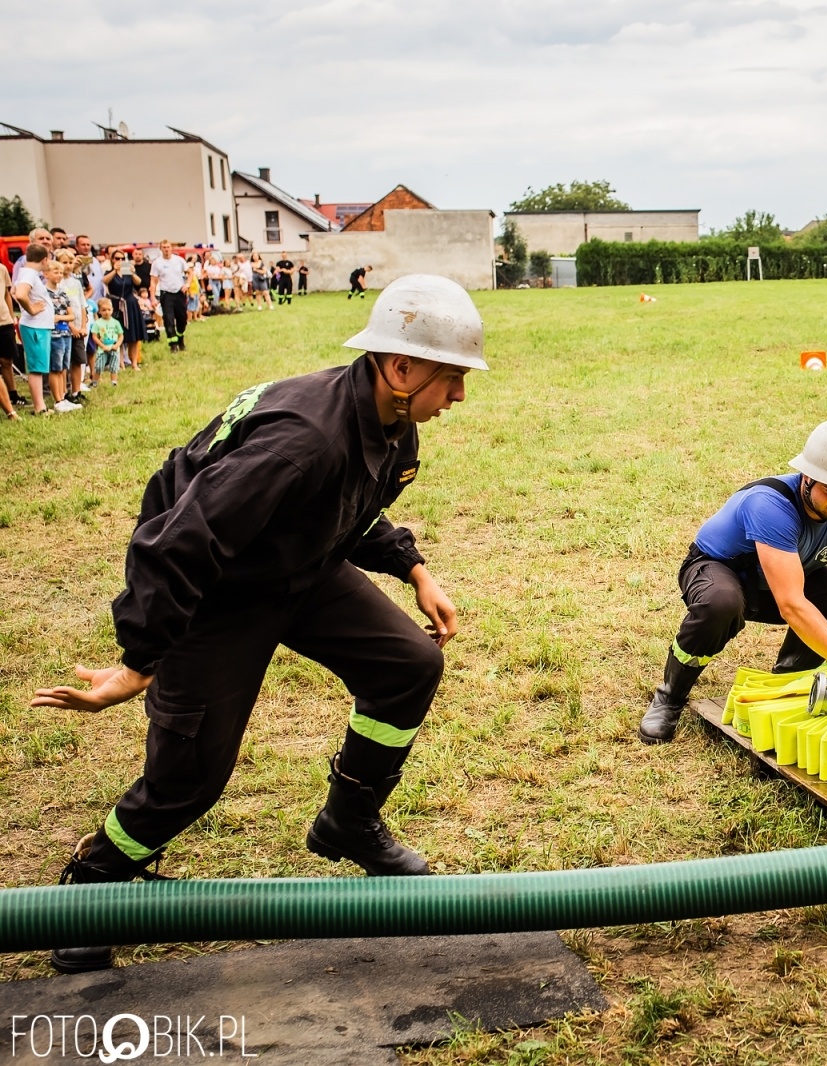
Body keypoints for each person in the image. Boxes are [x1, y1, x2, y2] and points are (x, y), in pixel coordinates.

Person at [30, 275, 486, 974]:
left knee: (408, 664)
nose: (458, 395)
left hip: (295, 569)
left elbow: (345, 509)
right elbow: (182, 541)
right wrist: (137, 663)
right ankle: (92, 886)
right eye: (450, 378)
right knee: (190, 778)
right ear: (400, 368)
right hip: (216, 590)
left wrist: (414, 569)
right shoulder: (302, 438)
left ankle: (349, 819)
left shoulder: (392, 426)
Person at [637, 415, 827, 744]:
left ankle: (787, 681)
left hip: (779, 580)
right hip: (718, 571)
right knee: (721, 604)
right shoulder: (771, 505)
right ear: (808, 477)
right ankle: (669, 696)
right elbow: (792, 605)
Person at [11, 244, 57, 416]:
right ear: (44, 259)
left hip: (37, 326)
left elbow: (14, 291)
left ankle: (40, 405)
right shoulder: (29, 274)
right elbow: (21, 294)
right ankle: (40, 407)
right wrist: (31, 309)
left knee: (39, 367)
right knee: (37, 369)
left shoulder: (25, 272)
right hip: (35, 326)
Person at [44, 256, 82, 412]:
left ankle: (63, 397)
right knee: (56, 367)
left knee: (63, 367)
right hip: (53, 335)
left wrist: (59, 317)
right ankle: (57, 400)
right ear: (46, 273)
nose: (59, 275)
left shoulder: (63, 293)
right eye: (55, 272)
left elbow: (71, 315)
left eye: (61, 272)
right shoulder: (44, 293)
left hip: (65, 333)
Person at [55, 249, 90, 405]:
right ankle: (63, 393)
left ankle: (76, 391)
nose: (68, 266)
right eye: (64, 263)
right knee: (63, 363)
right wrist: (71, 328)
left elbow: (82, 305)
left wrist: (82, 326)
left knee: (78, 360)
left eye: (70, 262)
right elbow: (60, 308)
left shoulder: (76, 282)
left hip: (78, 327)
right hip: (64, 328)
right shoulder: (57, 284)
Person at [106, 250, 145, 371]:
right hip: (116, 305)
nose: (120, 261)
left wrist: (132, 272)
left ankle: (134, 363)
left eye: (122, 258)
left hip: (130, 304)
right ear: (112, 260)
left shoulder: (127, 271)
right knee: (119, 335)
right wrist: (114, 270)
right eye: (117, 258)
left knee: (133, 336)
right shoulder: (109, 272)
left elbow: (138, 282)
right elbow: (105, 281)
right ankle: (121, 363)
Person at [149, 239, 189, 352]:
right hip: (166, 294)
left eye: (168, 247)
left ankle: (180, 338)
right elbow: (153, 281)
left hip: (179, 292)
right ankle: (173, 345)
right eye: (164, 247)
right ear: (161, 249)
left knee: (182, 320)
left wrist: (187, 284)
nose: (166, 249)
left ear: (171, 248)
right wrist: (152, 297)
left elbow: (189, 272)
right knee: (168, 319)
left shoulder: (179, 260)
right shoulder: (157, 263)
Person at [0, 249, 19, 413]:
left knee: (7, 360)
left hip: (4, 320)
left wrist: (12, 317)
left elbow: (7, 294)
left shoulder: (2, 269)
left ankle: (13, 394)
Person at [90, 297, 123, 388]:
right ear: (99, 311)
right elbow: (94, 336)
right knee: (99, 366)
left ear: (112, 310)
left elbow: (121, 335)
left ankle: (114, 382)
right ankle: (94, 382)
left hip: (114, 348)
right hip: (102, 349)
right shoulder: (98, 323)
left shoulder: (116, 322)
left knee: (114, 366)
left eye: (109, 309)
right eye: (104, 310)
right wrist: (102, 345)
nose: (107, 312)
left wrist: (117, 345)